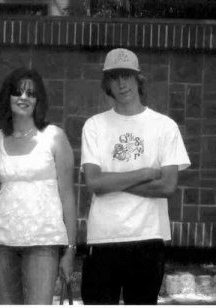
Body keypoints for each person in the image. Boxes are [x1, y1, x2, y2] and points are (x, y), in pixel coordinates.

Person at [80, 48, 191, 304]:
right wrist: (142, 174)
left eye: (127, 75)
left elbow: (167, 186)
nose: (122, 83)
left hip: (149, 237)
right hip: (103, 236)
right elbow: (94, 182)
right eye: (115, 77)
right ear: (107, 83)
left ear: (138, 79)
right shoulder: (94, 125)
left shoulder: (164, 126)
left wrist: (113, 182)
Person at [0, 68, 77, 305]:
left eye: (31, 93)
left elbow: (67, 196)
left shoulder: (54, 137)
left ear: (39, 100)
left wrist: (70, 249)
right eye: (17, 92)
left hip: (43, 241)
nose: (24, 97)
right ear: (8, 97)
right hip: (3, 241)